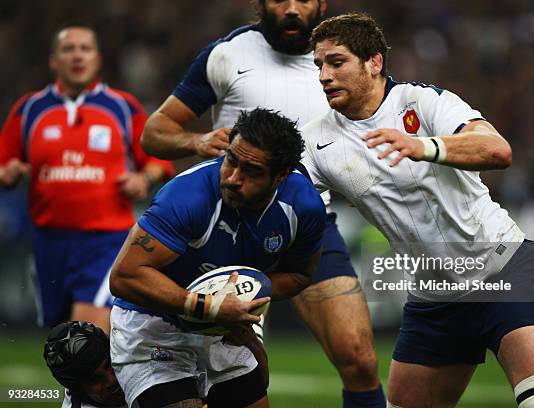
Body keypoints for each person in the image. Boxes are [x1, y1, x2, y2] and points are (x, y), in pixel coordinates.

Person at [301, 13, 534, 408]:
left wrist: (424, 145)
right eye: (319, 66)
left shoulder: (423, 102)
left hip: (502, 271)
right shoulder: (317, 140)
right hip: (434, 299)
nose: (324, 75)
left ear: (374, 62)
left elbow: (497, 150)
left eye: (337, 62)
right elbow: (283, 195)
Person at [141, 2, 384, 406]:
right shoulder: (228, 55)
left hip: (307, 224)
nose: (291, 8)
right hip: (227, 232)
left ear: (322, 4)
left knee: (359, 359)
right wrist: (197, 141)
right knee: (232, 381)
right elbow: (154, 133)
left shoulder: (342, 62)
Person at [109, 108, 326, 408]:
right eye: (231, 161)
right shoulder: (187, 197)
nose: (233, 178)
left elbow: (300, 275)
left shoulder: (304, 208)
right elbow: (124, 277)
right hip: (153, 324)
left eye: (251, 171)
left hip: (223, 327)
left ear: (281, 175)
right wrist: (207, 306)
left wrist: (243, 304)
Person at [0, 24, 173, 333]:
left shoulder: (121, 107)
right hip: (47, 241)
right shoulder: (29, 110)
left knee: (85, 332)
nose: (77, 56)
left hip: (104, 240)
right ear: (54, 60)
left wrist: (143, 179)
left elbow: (158, 159)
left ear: (97, 58)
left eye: (85, 49)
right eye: (68, 49)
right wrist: (7, 174)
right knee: (60, 336)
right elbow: (3, 164)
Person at [44, 320, 266, 408]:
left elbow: (257, 387)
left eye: (109, 365)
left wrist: (250, 341)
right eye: (96, 380)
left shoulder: (144, 352)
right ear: (77, 390)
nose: (111, 381)